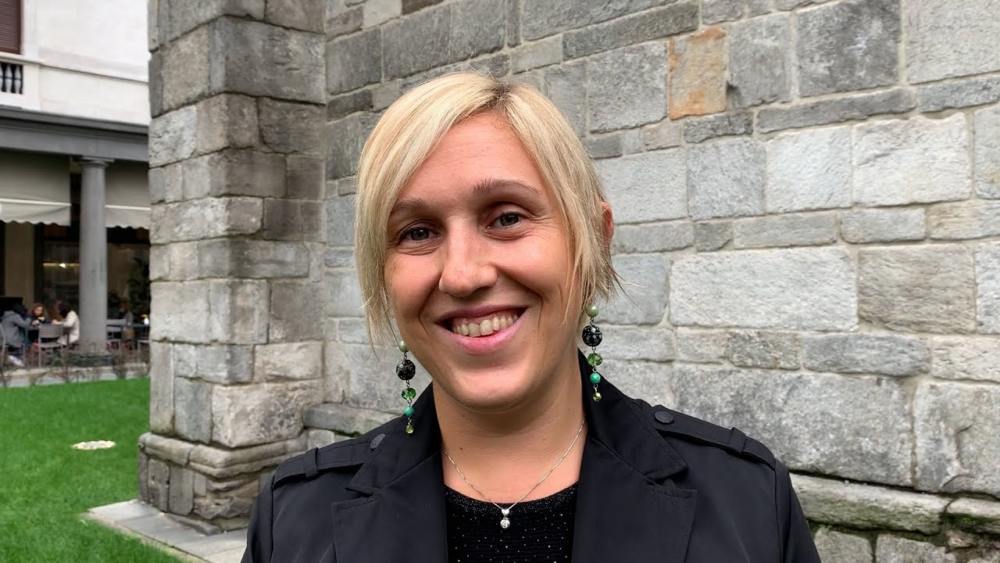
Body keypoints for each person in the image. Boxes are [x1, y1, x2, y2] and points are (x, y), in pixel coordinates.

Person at [242, 73, 820, 562]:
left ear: (594, 241)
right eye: (416, 232)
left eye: (507, 218)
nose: (462, 275)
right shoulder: (293, 523)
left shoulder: (749, 501)